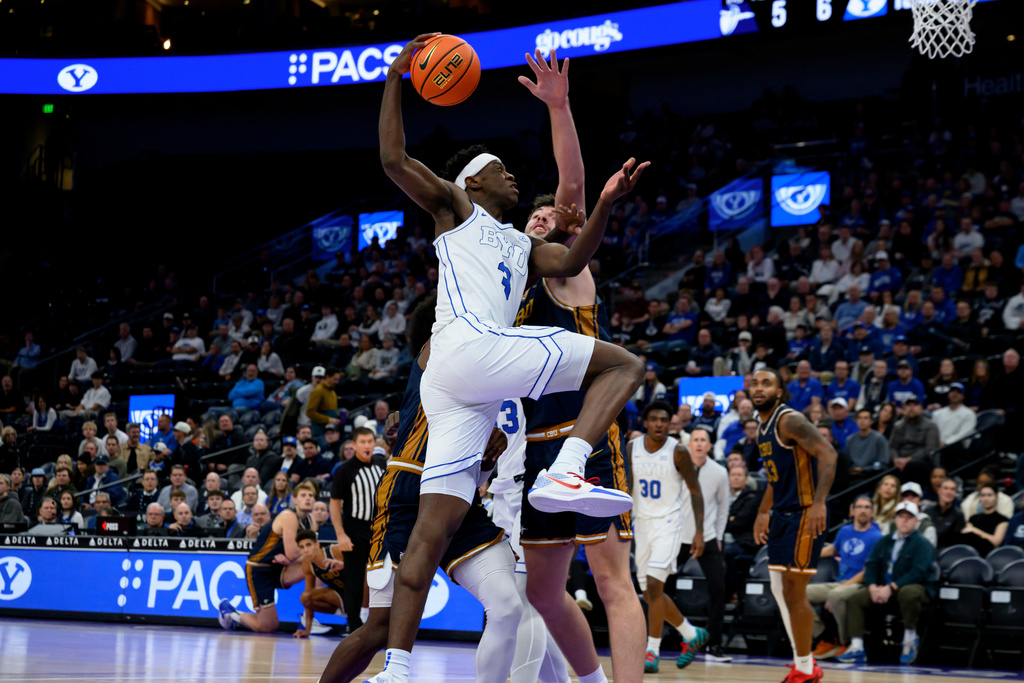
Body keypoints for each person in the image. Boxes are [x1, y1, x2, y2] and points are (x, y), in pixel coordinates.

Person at [370, 36, 646, 683]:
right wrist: (393, 77)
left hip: (464, 388)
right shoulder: (459, 208)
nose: (517, 180)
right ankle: (570, 467)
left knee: (433, 533)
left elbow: (574, 255)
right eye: (502, 169)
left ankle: (397, 667)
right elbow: (391, 156)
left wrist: (606, 203)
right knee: (625, 365)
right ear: (471, 182)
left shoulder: (525, 255)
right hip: (477, 360)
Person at [319, 299, 519, 683]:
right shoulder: (442, 341)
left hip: (461, 496)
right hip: (409, 491)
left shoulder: (497, 360)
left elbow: (479, 473)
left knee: (509, 605)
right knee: (379, 628)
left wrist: (491, 453)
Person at [751, 368, 838, 683]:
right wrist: (763, 511)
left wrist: (819, 502)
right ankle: (803, 661)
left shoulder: (789, 420)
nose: (759, 388)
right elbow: (776, 477)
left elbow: (828, 453)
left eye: (767, 383)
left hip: (804, 513)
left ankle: (805, 668)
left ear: (779, 391)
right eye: (755, 383)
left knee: (793, 589)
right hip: (782, 514)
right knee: (778, 587)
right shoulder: (763, 427)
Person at [629, 401, 706, 673]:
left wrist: (698, 531)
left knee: (653, 584)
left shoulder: (679, 451)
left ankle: (652, 651)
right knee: (651, 594)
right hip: (642, 525)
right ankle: (690, 634)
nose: (659, 424)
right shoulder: (632, 448)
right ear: (645, 422)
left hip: (670, 524)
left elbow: (696, 491)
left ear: (670, 422)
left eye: (664, 419)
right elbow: (626, 486)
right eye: (654, 419)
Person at [218, 480, 327, 633]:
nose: (308, 498)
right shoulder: (289, 516)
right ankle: (231, 613)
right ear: (294, 500)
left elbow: (312, 551)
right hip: (259, 569)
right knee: (268, 627)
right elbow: (293, 552)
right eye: (303, 495)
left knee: (317, 563)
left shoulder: (311, 521)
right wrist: (293, 556)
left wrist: (293, 557)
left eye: (311, 495)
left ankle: (307, 618)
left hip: (280, 567)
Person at [836, 501, 935, 665]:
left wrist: (892, 587)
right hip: (883, 588)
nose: (904, 521)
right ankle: (857, 646)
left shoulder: (923, 544)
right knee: (856, 598)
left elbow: (918, 572)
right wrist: (873, 586)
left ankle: (910, 639)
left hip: (913, 587)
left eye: (909, 517)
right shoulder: (885, 541)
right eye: (901, 516)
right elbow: (872, 564)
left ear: (916, 521)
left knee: (909, 593)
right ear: (894, 519)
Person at [678, 426, 731, 662]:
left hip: (707, 537)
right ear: (690, 445)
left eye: (703, 440)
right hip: (678, 537)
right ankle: (654, 642)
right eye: (696, 440)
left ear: (710, 446)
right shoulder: (678, 467)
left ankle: (715, 644)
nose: (699, 444)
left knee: (718, 589)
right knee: (659, 587)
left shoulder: (719, 472)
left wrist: (718, 537)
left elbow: (723, 507)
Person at [809, 495, 883, 659]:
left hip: (860, 584)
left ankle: (846, 642)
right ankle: (824, 637)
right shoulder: (845, 531)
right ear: (852, 510)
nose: (863, 511)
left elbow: (868, 571)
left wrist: (842, 587)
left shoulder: (877, 537)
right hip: (839, 583)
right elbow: (833, 550)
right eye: (859, 507)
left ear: (872, 512)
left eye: (867, 508)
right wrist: (808, 558)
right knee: (798, 593)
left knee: (836, 595)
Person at [328, 427, 383, 631]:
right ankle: (353, 624)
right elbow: (334, 503)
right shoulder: (344, 470)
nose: (367, 445)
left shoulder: (381, 464)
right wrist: (340, 534)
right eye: (363, 442)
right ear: (353, 445)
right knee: (355, 579)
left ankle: (378, 623)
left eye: (370, 441)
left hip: (379, 529)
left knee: (382, 577)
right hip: (355, 528)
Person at [294, 530, 348, 638]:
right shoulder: (307, 564)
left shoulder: (335, 550)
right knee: (306, 597)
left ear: (317, 544)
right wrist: (307, 630)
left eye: (308, 545)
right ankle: (349, 615)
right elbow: (308, 594)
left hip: (359, 591)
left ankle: (360, 615)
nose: (306, 550)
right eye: (302, 547)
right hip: (340, 595)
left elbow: (361, 569)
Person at [960, 483, 1010, 556]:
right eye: (983, 495)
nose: (986, 499)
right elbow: (966, 533)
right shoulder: (973, 518)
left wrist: (975, 530)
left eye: (989, 495)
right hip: (970, 553)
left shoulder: (1002, 520)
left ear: (996, 497)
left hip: (990, 555)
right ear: (980, 498)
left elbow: (996, 541)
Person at [307, 366, 343, 443]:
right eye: (335, 379)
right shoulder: (318, 391)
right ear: (327, 377)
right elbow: (310, 412)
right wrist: (328, 420)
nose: (337, 382)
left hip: (331, 432)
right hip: (320, 433)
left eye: (338, 379)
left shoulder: (332, 392)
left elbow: (331, 412)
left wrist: (340, 416)